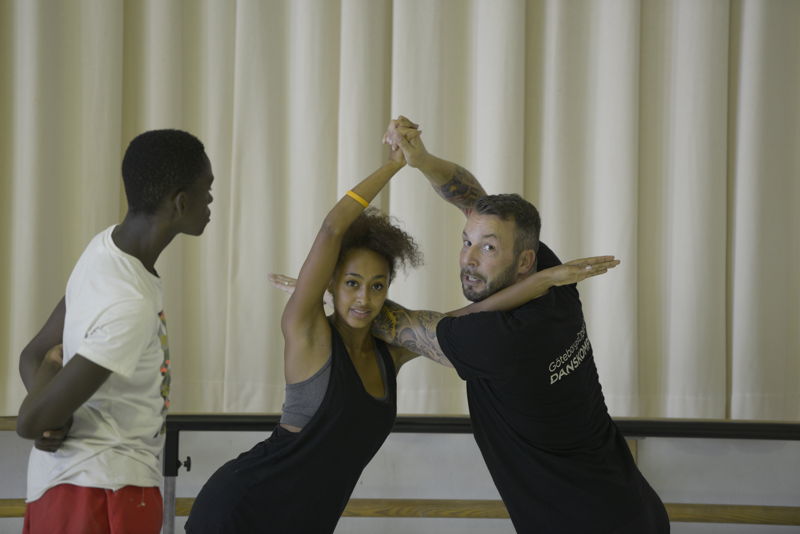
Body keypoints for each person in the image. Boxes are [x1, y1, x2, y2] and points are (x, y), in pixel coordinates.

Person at [185, 138, 616, 533]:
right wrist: (395, 164)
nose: (364, 298)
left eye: (377, 286)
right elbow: (333, 229)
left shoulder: (391, 354)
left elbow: (466, 318)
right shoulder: (307, 334)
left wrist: (543, 281)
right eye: (351, 284)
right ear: (330, 285)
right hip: (242, 507)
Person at [377, 116, 670, 533]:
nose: (469, 259)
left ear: (524, 261)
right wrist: (421, 159)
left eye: (488, 248)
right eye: (467, 241)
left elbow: (390, 323)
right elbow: (473, 200)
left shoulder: (503, 341)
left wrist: (333, 289)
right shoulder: (552, 282)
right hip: (633, 509)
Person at [16, 129, 215, 534]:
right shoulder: (129, 304)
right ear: (180, 202)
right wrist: (50, 406)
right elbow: (30, 420)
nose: (211, 200)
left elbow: (31, 354)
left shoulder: (106, 249)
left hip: (74, 489)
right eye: (207, 189)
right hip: (100, 494)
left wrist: (57, 419)